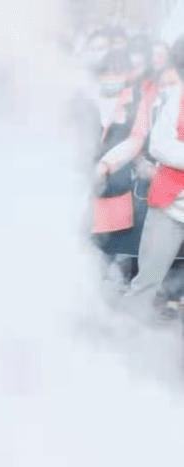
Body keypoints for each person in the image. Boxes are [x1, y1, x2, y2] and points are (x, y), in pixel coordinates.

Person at [123, 38, 184, 319]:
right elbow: (158, 144)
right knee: (147, 282)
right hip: (170, 206)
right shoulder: (178, 97)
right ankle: (122, 344)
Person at [90, 52, 150, 260]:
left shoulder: (135, 103)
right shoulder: (88, 99)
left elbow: (136, 139)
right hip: (85, 184)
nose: (111, 79)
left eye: (117, 74)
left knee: (115, 248)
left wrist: (106, 165)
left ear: (127, 75)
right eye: (106, 74)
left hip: (117, 184)